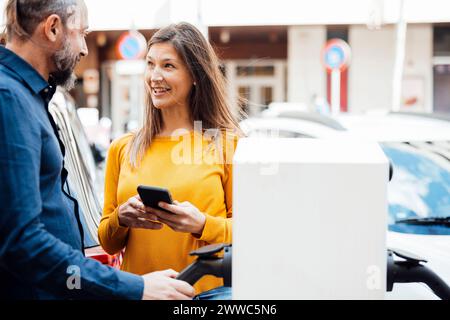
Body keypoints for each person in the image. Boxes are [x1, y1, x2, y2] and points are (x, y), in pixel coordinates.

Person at [0, 0, 194, 300]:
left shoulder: (27, 96)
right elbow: (22, 243)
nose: (85, 49)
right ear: (52, 28)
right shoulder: (9, 99)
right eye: (83, 33)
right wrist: (135, 287)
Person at [98, 22, 242, 295]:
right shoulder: (123, 148)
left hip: (205, 295)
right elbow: (108, 243)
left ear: (196, 75)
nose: (155, 76)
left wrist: (202, 225)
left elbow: (252, 231)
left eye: (168, 66)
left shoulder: (226, 145)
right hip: (142, 293)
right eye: (150, 64)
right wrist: (121, 218)